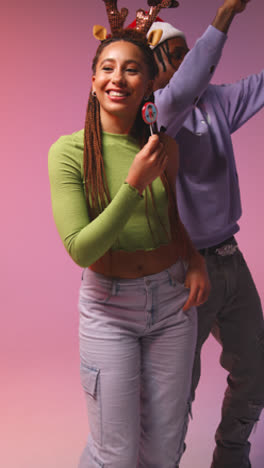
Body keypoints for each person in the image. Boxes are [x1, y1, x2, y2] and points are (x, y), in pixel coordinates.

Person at [48, 1, 215, 465]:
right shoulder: (69, 152)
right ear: (94, 80)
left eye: (131, 70)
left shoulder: (164, 148)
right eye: (107, 68)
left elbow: (172, 220)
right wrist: (133, 184)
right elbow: (81, 249)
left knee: (165, 449)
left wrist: (196, 259)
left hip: (171, 305)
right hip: (109, 309)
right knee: (115, 452)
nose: (117, 78)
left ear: (148, 84)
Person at [146, 0, 264, 467]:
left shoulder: (214, 101)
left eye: (185, 52)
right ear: (154, 68)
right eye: (174, 55)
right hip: (183, 269)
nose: (186, 61)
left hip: (231, 259)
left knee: (255, 367)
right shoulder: (158, 111)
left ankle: (231, 458)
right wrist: (225, 13)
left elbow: (256, 85)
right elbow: (184, 85)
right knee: (177, 386)